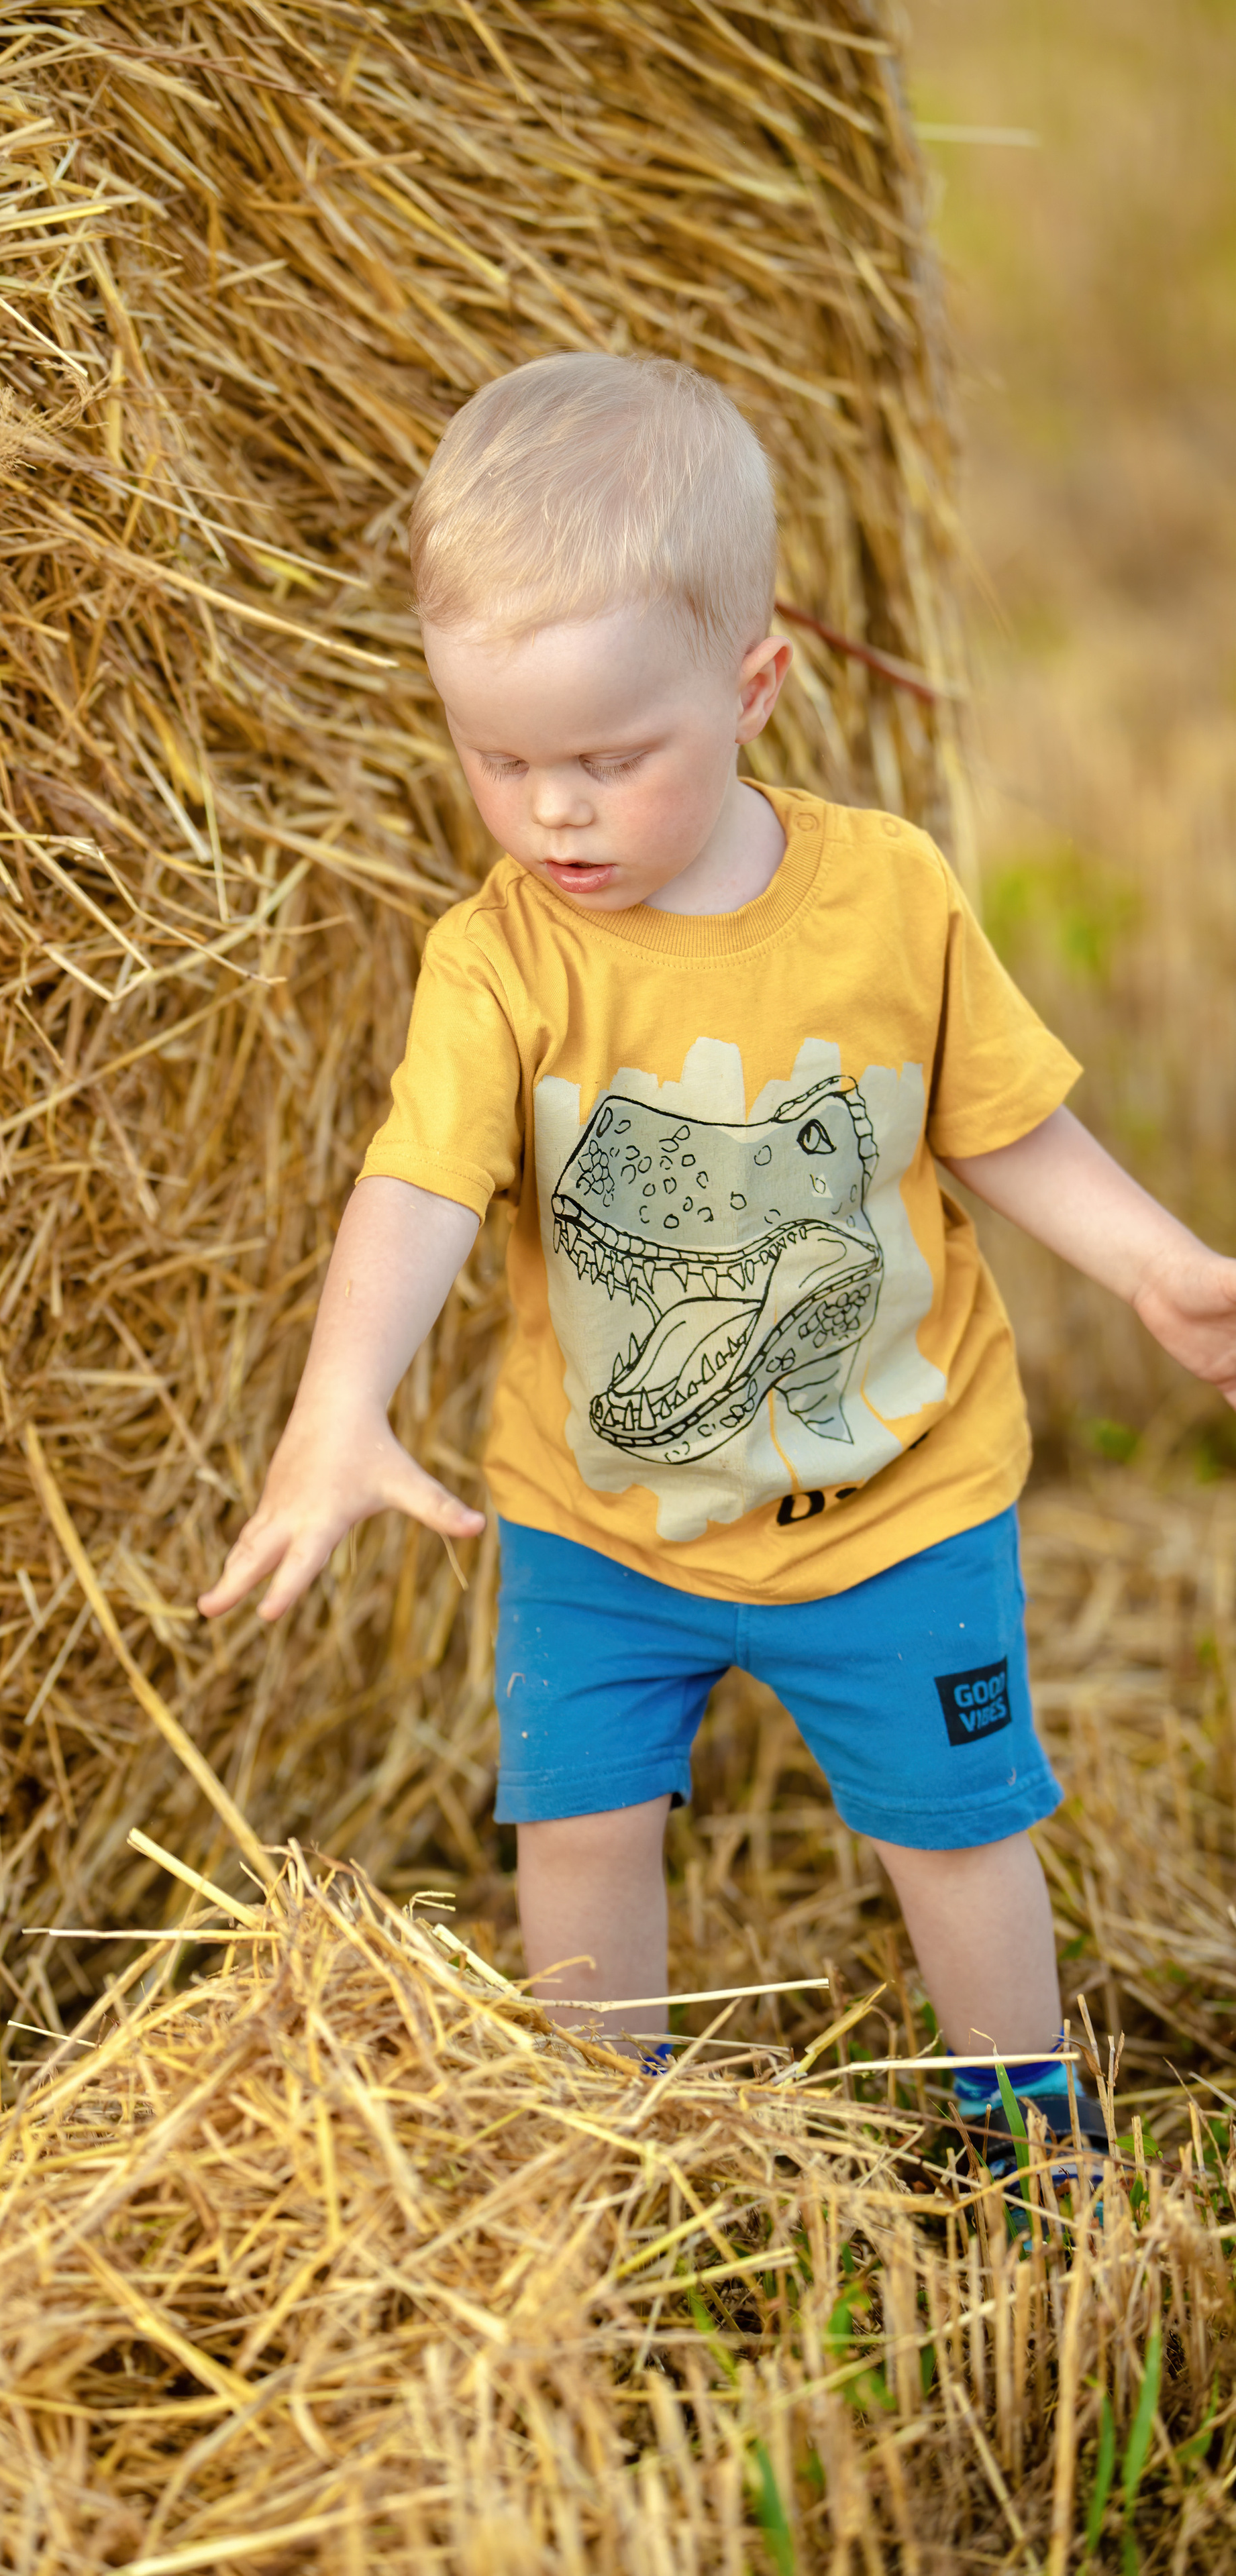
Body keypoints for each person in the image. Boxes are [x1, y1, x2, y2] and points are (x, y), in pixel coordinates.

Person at [198, 352, 1236, 2163]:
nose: (553, 815)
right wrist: (335, 1407)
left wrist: (1151, 1265)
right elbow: (418, 1189)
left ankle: (1027, 2131)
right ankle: (612, 2142)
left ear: (754, 687)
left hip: (895, 1506)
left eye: (610, 758)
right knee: (582, 1832)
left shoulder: (888, 896)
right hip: (600, 1529)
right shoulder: (496, 962)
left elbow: (991, 1121)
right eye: (499, 759)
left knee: (956, 1828)